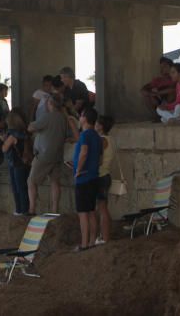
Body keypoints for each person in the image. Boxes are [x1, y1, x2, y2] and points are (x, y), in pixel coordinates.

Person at [27, 90, 73, 215]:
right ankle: (54, 210)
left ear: (50, 104)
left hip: (44, 155)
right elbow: (69, 136)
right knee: (54, 182)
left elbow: (30, 128)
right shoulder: (64, 118)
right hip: (58, 155)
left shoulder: (47, 117)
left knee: (31, 181)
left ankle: (32, 209)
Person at [73, 107, 102, 251]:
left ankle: (84, 244)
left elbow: (83, 152)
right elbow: (100, 158)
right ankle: (91, 242)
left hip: (83, 178)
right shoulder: (97, 136)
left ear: (84, 118)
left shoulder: (85, 135)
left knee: (83, 213)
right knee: (91, 211)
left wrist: (78, 169)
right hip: (94, 177)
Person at [1, 109, 30, 216]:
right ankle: (25, 209)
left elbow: (4, 148)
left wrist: (4, 140)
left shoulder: (12, 135)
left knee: (17, 188)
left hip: (16, 164)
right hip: (25, 162)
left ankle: (20, 210)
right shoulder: (25, 132)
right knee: (24, 188)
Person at [94, 115, 115, 245]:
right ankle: (104, 236)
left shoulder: (102, 140)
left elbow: (97, 160)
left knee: (102, 209)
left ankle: (105, 238)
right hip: (106, 175)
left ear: (100, 126)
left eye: (96, 123)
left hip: (101, 176)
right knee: (103, 208)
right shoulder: (110, 139)